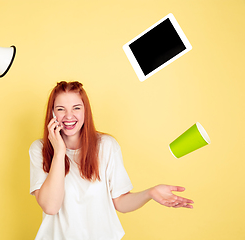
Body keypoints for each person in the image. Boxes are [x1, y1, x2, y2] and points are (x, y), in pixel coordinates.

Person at [29, 81, 193, 240]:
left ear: (86, 111)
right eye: (60, 109)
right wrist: (59, 152)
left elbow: (120, 202)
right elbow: (51, 207)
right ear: (52, 114)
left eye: (76, 108)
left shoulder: (106, 146)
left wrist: (150, 193)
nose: (69, 115)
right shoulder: (39, 149)